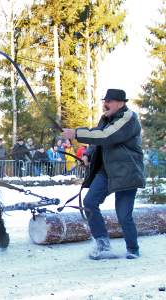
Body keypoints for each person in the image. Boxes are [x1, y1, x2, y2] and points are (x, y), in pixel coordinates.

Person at [62, 88, 145, 260]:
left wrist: (76, 133)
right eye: (104, 101)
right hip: (107, 171)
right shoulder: (106, 118)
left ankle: (133, 248)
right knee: (90, 202)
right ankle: (103, 244)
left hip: (126, 172)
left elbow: (107, 136)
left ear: (120, 102)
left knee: (123, 214)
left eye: (109, 101)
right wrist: (87, 154)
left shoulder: (128, 118)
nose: (105, 104)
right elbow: (97, 141)